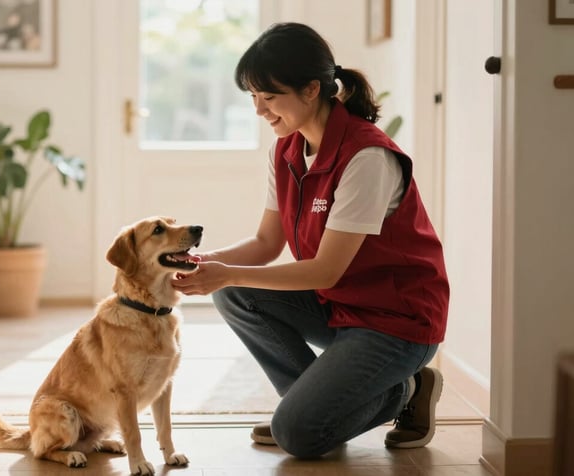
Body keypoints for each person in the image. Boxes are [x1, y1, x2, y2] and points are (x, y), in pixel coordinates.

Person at [171, 22, 449, 459]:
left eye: (270, 96)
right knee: (234, 293)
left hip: (395, 322)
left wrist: (223, 274)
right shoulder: (285, 150)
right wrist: (204, 264)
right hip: (338, 305)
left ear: (311, 90)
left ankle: (404, 390)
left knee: (299, 436)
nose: (260, 110)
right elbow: (266, 242)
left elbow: (325, 269)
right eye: (253, 97)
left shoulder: (366, 157)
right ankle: (312, 405)